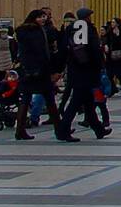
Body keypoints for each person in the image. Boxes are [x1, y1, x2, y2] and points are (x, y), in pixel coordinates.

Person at [58, 8, 110, 140]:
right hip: (89, 71)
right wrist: (100, 65)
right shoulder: (89, 29)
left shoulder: (70, 29)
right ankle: (62, 131)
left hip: (75, 69)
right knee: (76, 102)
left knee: (88, 103)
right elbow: (94, 50)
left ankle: (98, 129)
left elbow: (64, 48)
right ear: (87, 17)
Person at [14, 9, 65, 141]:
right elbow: (41, 52)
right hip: (40, 71)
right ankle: (60, 131)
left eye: (44, 17)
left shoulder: (22, 31)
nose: (43, 19)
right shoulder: (37, 32)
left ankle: (20, 130)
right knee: (50, 100)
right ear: (33, 18)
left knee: (25, 100)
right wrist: (50, 69)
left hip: (26, 70)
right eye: (40, 17)